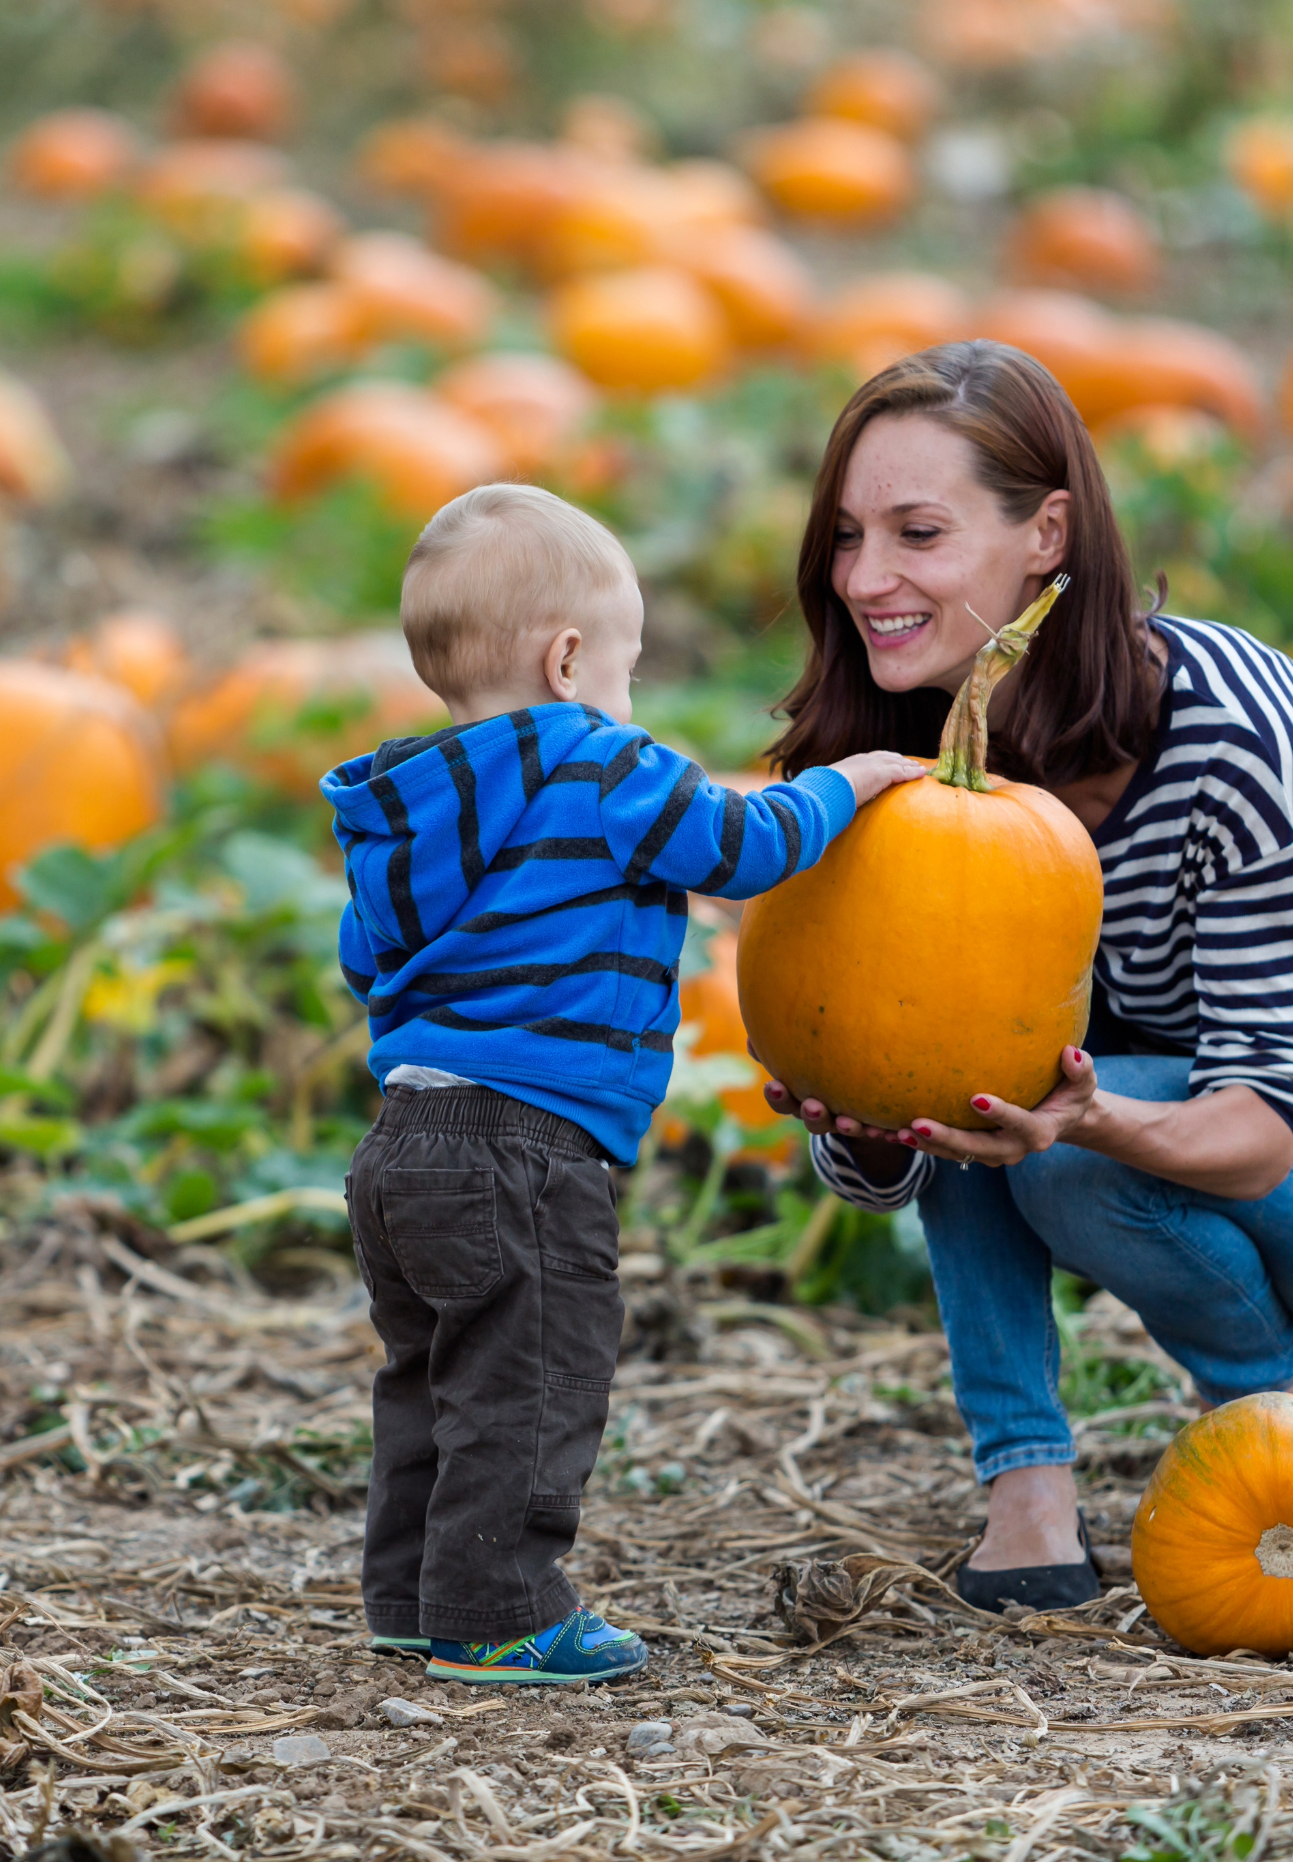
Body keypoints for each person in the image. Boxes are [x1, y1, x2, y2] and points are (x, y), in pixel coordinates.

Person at [761, 342, 1293, 1611]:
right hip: (1106, 1117)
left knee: (1047, 1128)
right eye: (845, 536)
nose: (866, 579)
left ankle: (1272, 1403)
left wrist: (1080, 1116)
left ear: (1047, 532)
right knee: (985, 1091)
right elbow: (888, 1136)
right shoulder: (889, 747)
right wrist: (863, 1125)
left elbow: (1259, 1130)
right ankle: (1025, 1492)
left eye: (918, 533)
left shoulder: (1230, 734)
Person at [324, 482, 924, 1684]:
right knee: (533, 1378)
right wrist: (850, 782)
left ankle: (409, 1595)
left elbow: (361, 956)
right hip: (527, 1143)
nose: (629, 696)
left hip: (405, 1141)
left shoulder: (407, 803)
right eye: (626, 668)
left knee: (430, 1379)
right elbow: (737, 848)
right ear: (565, 659)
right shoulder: (596, 760)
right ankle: (498, 1613)